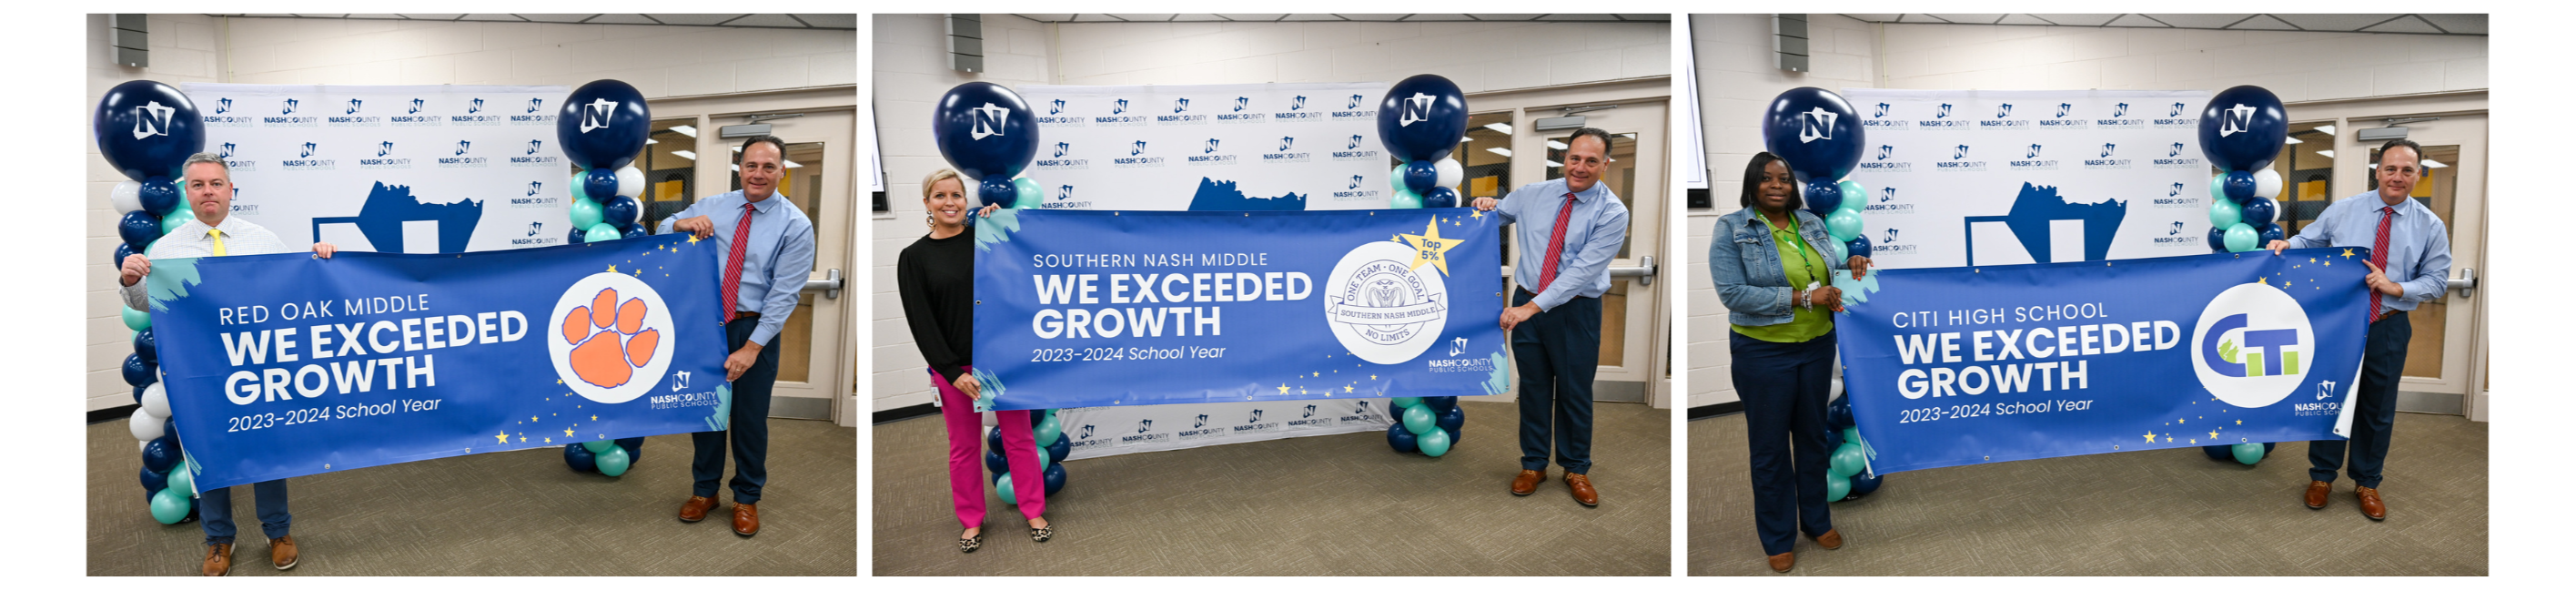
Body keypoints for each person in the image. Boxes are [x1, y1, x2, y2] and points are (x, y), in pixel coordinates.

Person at [117, 152, 338, 576]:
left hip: (256, 369)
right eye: (197, 185)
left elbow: (294, 293)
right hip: (200, 373)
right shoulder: (165, 248)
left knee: (266, 448)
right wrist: (130, 281)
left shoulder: (263, 241)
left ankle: (278, 531)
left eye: (216, 183)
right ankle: (218, 539)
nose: (208, 192)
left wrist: (321, 263)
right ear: (188, 193)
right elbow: (146, 303)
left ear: (230, 189)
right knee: (207, 450)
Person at [2265, 138, 2451, 521]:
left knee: (2377, 409)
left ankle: (2367, 482)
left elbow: (2437, 280)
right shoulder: (2344, 210)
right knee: (2331, 400)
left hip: (2388, 326)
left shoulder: (2429, 225)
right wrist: (2288, 242)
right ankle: (2322, 477)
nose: (2397, 177)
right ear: (2378, 170)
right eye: (2390, 168)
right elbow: (2309, 240)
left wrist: (2397, 288)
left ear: (2419, 174)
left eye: (2407, 170)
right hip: (2338, 327)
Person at [1707, 152, 1872, 572]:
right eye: (1766, 179)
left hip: (1816, 347)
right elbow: (1732, 294)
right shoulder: (1731, 227)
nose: (1777, 185)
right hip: (1763, 352)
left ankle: (1816, 521)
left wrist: (1850, 266)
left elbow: (1829, 274)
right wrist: (1801, 298)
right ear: (1753, 184)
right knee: (1770, 449)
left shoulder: (1810, 223)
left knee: (1814, 439)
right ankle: (1778, 537)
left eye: (1783, 178)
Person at [657, 135, 817, 536]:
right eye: (751, 165)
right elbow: (659, 232)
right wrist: (679, 223)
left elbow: (783, 296)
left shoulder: (795, 225)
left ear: (782, 171)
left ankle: (746, 498)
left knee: (748, 420)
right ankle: (704, 491)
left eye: (768, 167)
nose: (758, 174)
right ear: (740, 167)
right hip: (705, 324)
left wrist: (751, 348)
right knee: (707, 412)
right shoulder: (713, 206)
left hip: (754, 326)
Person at [1469, 127, 1631, 507]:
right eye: (1575, 158)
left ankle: (1576, 468)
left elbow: (1581, 274)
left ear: (1606, 164)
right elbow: (1484, 225)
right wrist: (1483, 208)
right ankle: (1533, 465)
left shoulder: (1612, 212)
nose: (1581, 167)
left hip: (1574, 309)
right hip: (1528, 302)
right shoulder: (1531, 195)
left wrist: (1529, 308)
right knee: (1535, 388)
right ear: (1565, 158)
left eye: (1592, 161)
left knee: (1574, 393)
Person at [897, 168, 1052, 553]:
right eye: (940, 196)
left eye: (957, 195)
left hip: (1002, 361)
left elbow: (1024, 271)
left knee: (1020, 438)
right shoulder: (913, 257)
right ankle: (971, 520)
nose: (950, 202)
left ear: (966, 201)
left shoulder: (988, 237)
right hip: (954, 369)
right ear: (927, 204)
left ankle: (1033, 510)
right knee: (963, 446)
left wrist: (1004, 223)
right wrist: (951, 372)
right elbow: (923, 323)